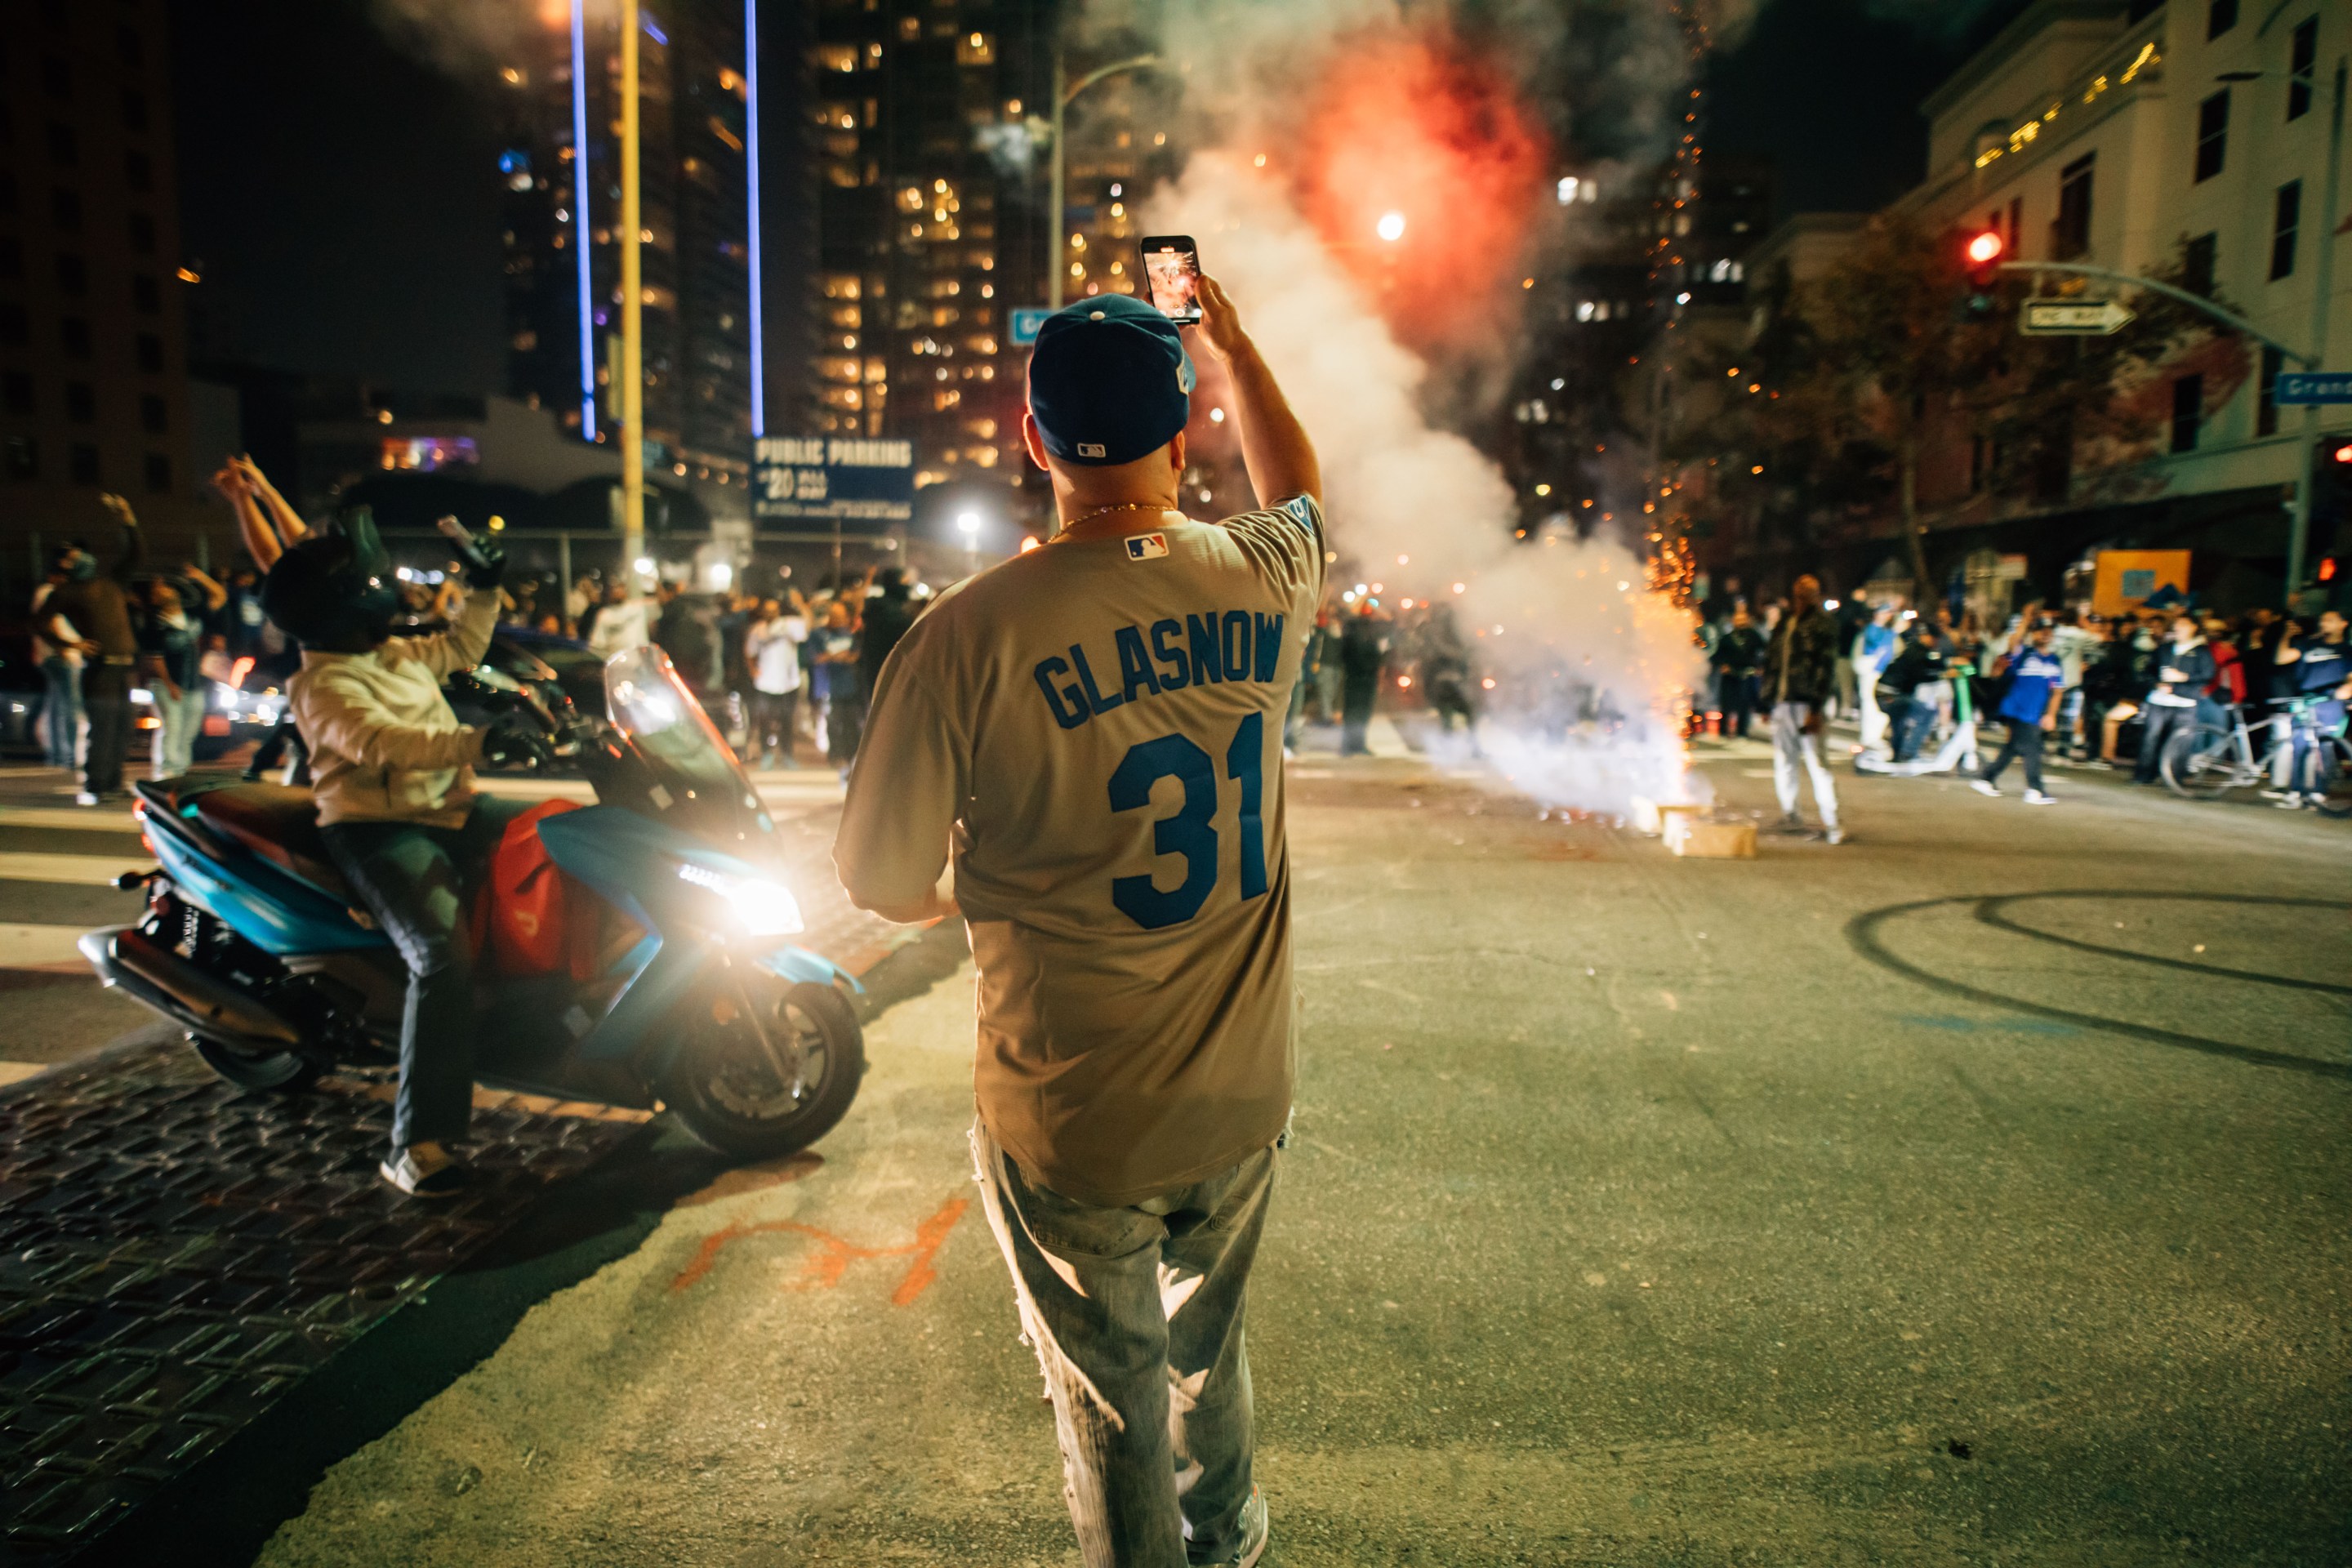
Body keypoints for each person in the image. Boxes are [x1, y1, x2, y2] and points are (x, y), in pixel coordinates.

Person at [835, 282, 1316, 1568]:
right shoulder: (1265, 576)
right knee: (1208, 1342)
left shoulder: (964, 636)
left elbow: (882, 883)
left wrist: (981, 886)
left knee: (1113, 1395)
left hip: (1075, 1107)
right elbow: (1300, 487)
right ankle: (1227, 1542)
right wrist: (1234, 336)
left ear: (1036, 442)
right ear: (1185, 431)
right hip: (1243, 1088)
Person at [265, 511, 544, 1196]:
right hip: (380, 829)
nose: (390, 593)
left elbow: (465, 647)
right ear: (346, 604)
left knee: (565, 834)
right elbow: (385, 744)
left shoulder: (386, 654)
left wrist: (484, 583)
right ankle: (416, 1146)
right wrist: (482, 744)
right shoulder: (323, 686)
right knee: (438, 952)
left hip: (452, 808)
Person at [37, 495, 144, 806]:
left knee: (122, 728)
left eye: (77, 553)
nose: (76, 558)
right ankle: (97, 783)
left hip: (124, 666)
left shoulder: (111, 583)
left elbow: (136, 553)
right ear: (63, 566)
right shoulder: (66, 592)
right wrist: (72, 644)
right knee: (104, 727)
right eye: (69, 557)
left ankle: (112, 780)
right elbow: (37, 623)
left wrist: (127, 518)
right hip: (101, 668)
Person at [1762, 574, 1843, 843]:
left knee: (1817, 762)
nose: (1801, 599)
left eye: (1806, 594)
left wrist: (1816, 709)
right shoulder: (1787, 622)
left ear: (1815, 595)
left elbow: (1825, 668)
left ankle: (1831, 820)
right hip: (1785, 701)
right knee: (1785, 760)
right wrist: (1768, 698)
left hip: (1807, 702)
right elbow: (1773, 661)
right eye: (1798, 593)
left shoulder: (1822, 624)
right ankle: (1790, 813)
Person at [139, 565, 226, 778]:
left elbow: (219, 595)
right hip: (167, 684)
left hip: (193, 684)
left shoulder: (193, 615)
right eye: (156, 590)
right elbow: (156, 659)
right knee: (172, 728)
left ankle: (180, 771)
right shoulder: (155, 625)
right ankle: (165, 772)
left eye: (164, 588)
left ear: (176, 592)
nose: (159, 592)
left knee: (189, 730)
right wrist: (170, 685)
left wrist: (200, 577)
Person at [1971, 617, 2065, 803]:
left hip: (2035, 712)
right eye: (2041, 630)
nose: (2046, 634)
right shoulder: (2023, 654)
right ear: (2033, 633)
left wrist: (2051, 715)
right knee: (2033, 748)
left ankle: (1986, 778)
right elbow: (2013, 642)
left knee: (2013, 747)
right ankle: (2035, 789)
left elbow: (2057, 691)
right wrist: (2026, 619)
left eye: (2049, 631)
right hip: (2016, 709)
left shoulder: (2055, 661)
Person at [2272, 609, 2350, 808]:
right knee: (2299, 747)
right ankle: (2296, 792)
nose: (2324, 624)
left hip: (2330, 703)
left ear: (2343, 624)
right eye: (2323, 620)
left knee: (2323, 746)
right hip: (2305, 702)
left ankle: (2319, 792)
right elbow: (2281, 658)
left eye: (2330, 621)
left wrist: (2346, 691)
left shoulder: (2347, 651)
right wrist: (2287, 635)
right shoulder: (2309, 644)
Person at [2132, 613, 2216, 786]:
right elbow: (2148, 669)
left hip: (2186, 702)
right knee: (2151, 736)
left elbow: (2208, 674)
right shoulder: (2164, 648)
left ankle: (2175, 777)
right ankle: (2144, 774)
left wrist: (2184, 677)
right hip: (2159, 700)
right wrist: (2156, 684)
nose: (2178, 628)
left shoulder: (2201, 652)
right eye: (2177, 624)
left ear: (2194, 627)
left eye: (2184, 624)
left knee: (2181, 740)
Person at [30, 551, 85, 773]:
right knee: (69, 707)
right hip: (60, 657)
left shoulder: (43, 592)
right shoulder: (49, 592)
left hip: (52, 656)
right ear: (54, 576)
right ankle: (69, 755)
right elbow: (50, 622)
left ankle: (57, 755)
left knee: (55, 706)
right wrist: (63, 648)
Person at [745, 595, 809, 768]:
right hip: (765, 683)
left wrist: (801, 604)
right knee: (764, 720)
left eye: (774, 610)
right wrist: (753, 671)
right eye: (767, 611)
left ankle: (787, 755)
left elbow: (808, 626)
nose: (770, 614)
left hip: (789, 682)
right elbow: (749, 652)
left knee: (786, 720)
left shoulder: (789, 625)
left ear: (779, 611)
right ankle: (767, 754)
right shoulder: (758, 630)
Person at [1337, 601, 1388, 756]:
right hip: (1362, 676)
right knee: (1359, 712)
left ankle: (1353, 745)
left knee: (1356, 711)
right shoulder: (1366, 629)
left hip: (1357, 675)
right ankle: (1353, 745)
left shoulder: (1356, 627)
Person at [1709, 607, 1766, 739]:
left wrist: (1759, 666)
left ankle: (1742, 732)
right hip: (1730, 676)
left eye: (1742, 619)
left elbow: (1764, 650)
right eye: (1737, 619)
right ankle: (1723, 732)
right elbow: (1717, 656)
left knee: (1744, 704)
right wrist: (1722, 665)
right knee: (1727, 704)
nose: (1740, 622)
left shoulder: (1753, 636)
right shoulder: (1727, 638)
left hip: (1747, 675)